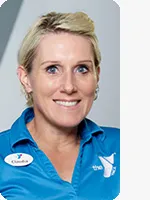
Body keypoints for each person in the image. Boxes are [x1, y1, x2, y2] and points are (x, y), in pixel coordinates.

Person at [0, 11, 120, 200]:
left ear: (96, 75)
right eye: (52, 69)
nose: (69, 86)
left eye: (82, 69)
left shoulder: (127, 147)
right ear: (26, 79)